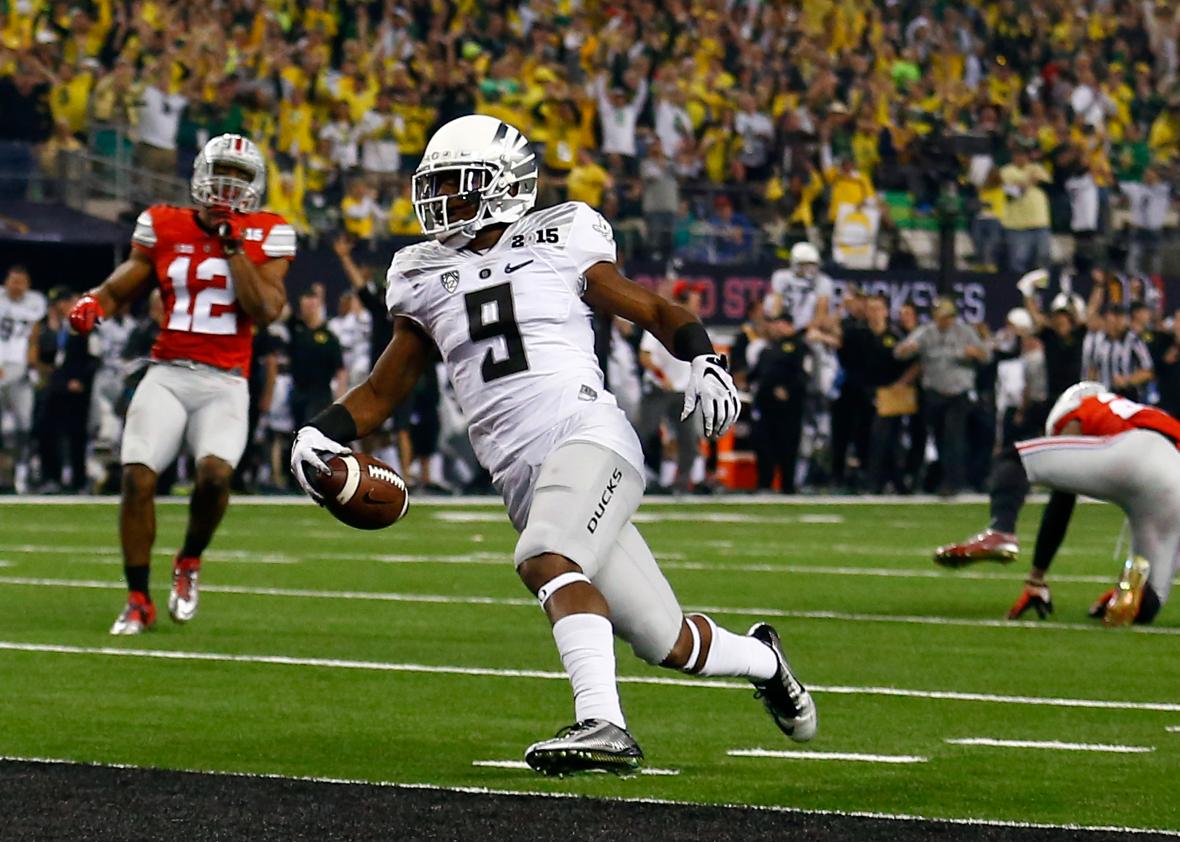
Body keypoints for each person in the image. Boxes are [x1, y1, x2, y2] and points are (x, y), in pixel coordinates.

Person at [290, 115, 815, 776]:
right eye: (436, 185)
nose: (439, 199)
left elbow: (655, 309)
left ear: (502, 184)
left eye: (456, 184)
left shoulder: (558, 237)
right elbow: (380, 390)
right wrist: (317, 433)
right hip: (524, 478)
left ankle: (605, 724)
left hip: (587, 436)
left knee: (546, 556)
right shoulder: (420, 274)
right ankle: (767, 661)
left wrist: (704, 358)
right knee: (667, 640)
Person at [67, 134, 294, 635]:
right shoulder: (164, 224)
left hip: (226, 381)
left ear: (255, 185)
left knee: (214, 477)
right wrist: (95, 303)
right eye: (221, 172)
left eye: (238, 176)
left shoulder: (269, 232)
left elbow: (265, 309)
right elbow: (125, 282)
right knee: (136, 477)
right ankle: (137, 598)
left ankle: (189, 559)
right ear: (200, 175)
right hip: (168, 372)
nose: (227, 185)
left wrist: (234, 248)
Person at [934, 382, 1180, 627]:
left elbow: (1062, 498)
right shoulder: (1136, 412)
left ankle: (1000, 530)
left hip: (1139, 452)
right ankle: (1128, 597)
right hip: (1172, 477)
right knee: (1148, 601)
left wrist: (1037, 576)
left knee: (1014, 458)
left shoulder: (1081, 407)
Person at [894, 297, 990, 496]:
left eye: (948, 316)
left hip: (958, 394)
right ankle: (945, 479)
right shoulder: (926, 332)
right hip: (935, 394)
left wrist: (975, 352)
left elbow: (986, 355)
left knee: (953, 436)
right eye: (940, 316)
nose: (944, 320)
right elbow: (899, 353)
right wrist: (907, 349)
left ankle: (953, 482)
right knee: (939, 437)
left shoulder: (965, 332)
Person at [0, 265, 46, 493]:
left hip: (20, 369)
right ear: (6, 282)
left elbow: (34, 337)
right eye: (13, 281)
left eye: (21, 282)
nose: (17, 286)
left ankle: (21, 473)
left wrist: (32, 365)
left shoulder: (35, 301)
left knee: (24, 424)